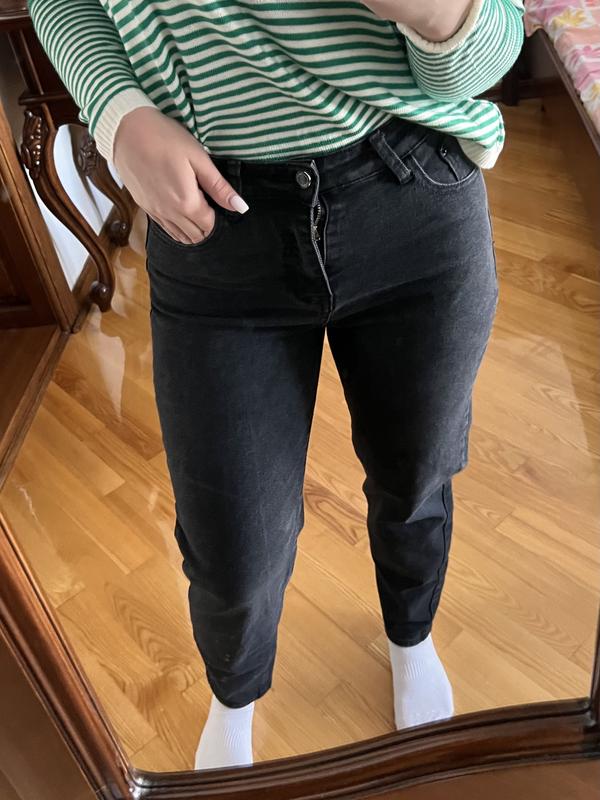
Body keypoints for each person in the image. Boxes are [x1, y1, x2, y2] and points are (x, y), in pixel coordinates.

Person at [28, 0, 524, 771]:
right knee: (232, 546)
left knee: (417, 473)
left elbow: (492, 53)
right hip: (211, 219)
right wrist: (118, 115)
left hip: (410, 190)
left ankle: (411, 632)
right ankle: (234, 695)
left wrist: (433, 11)